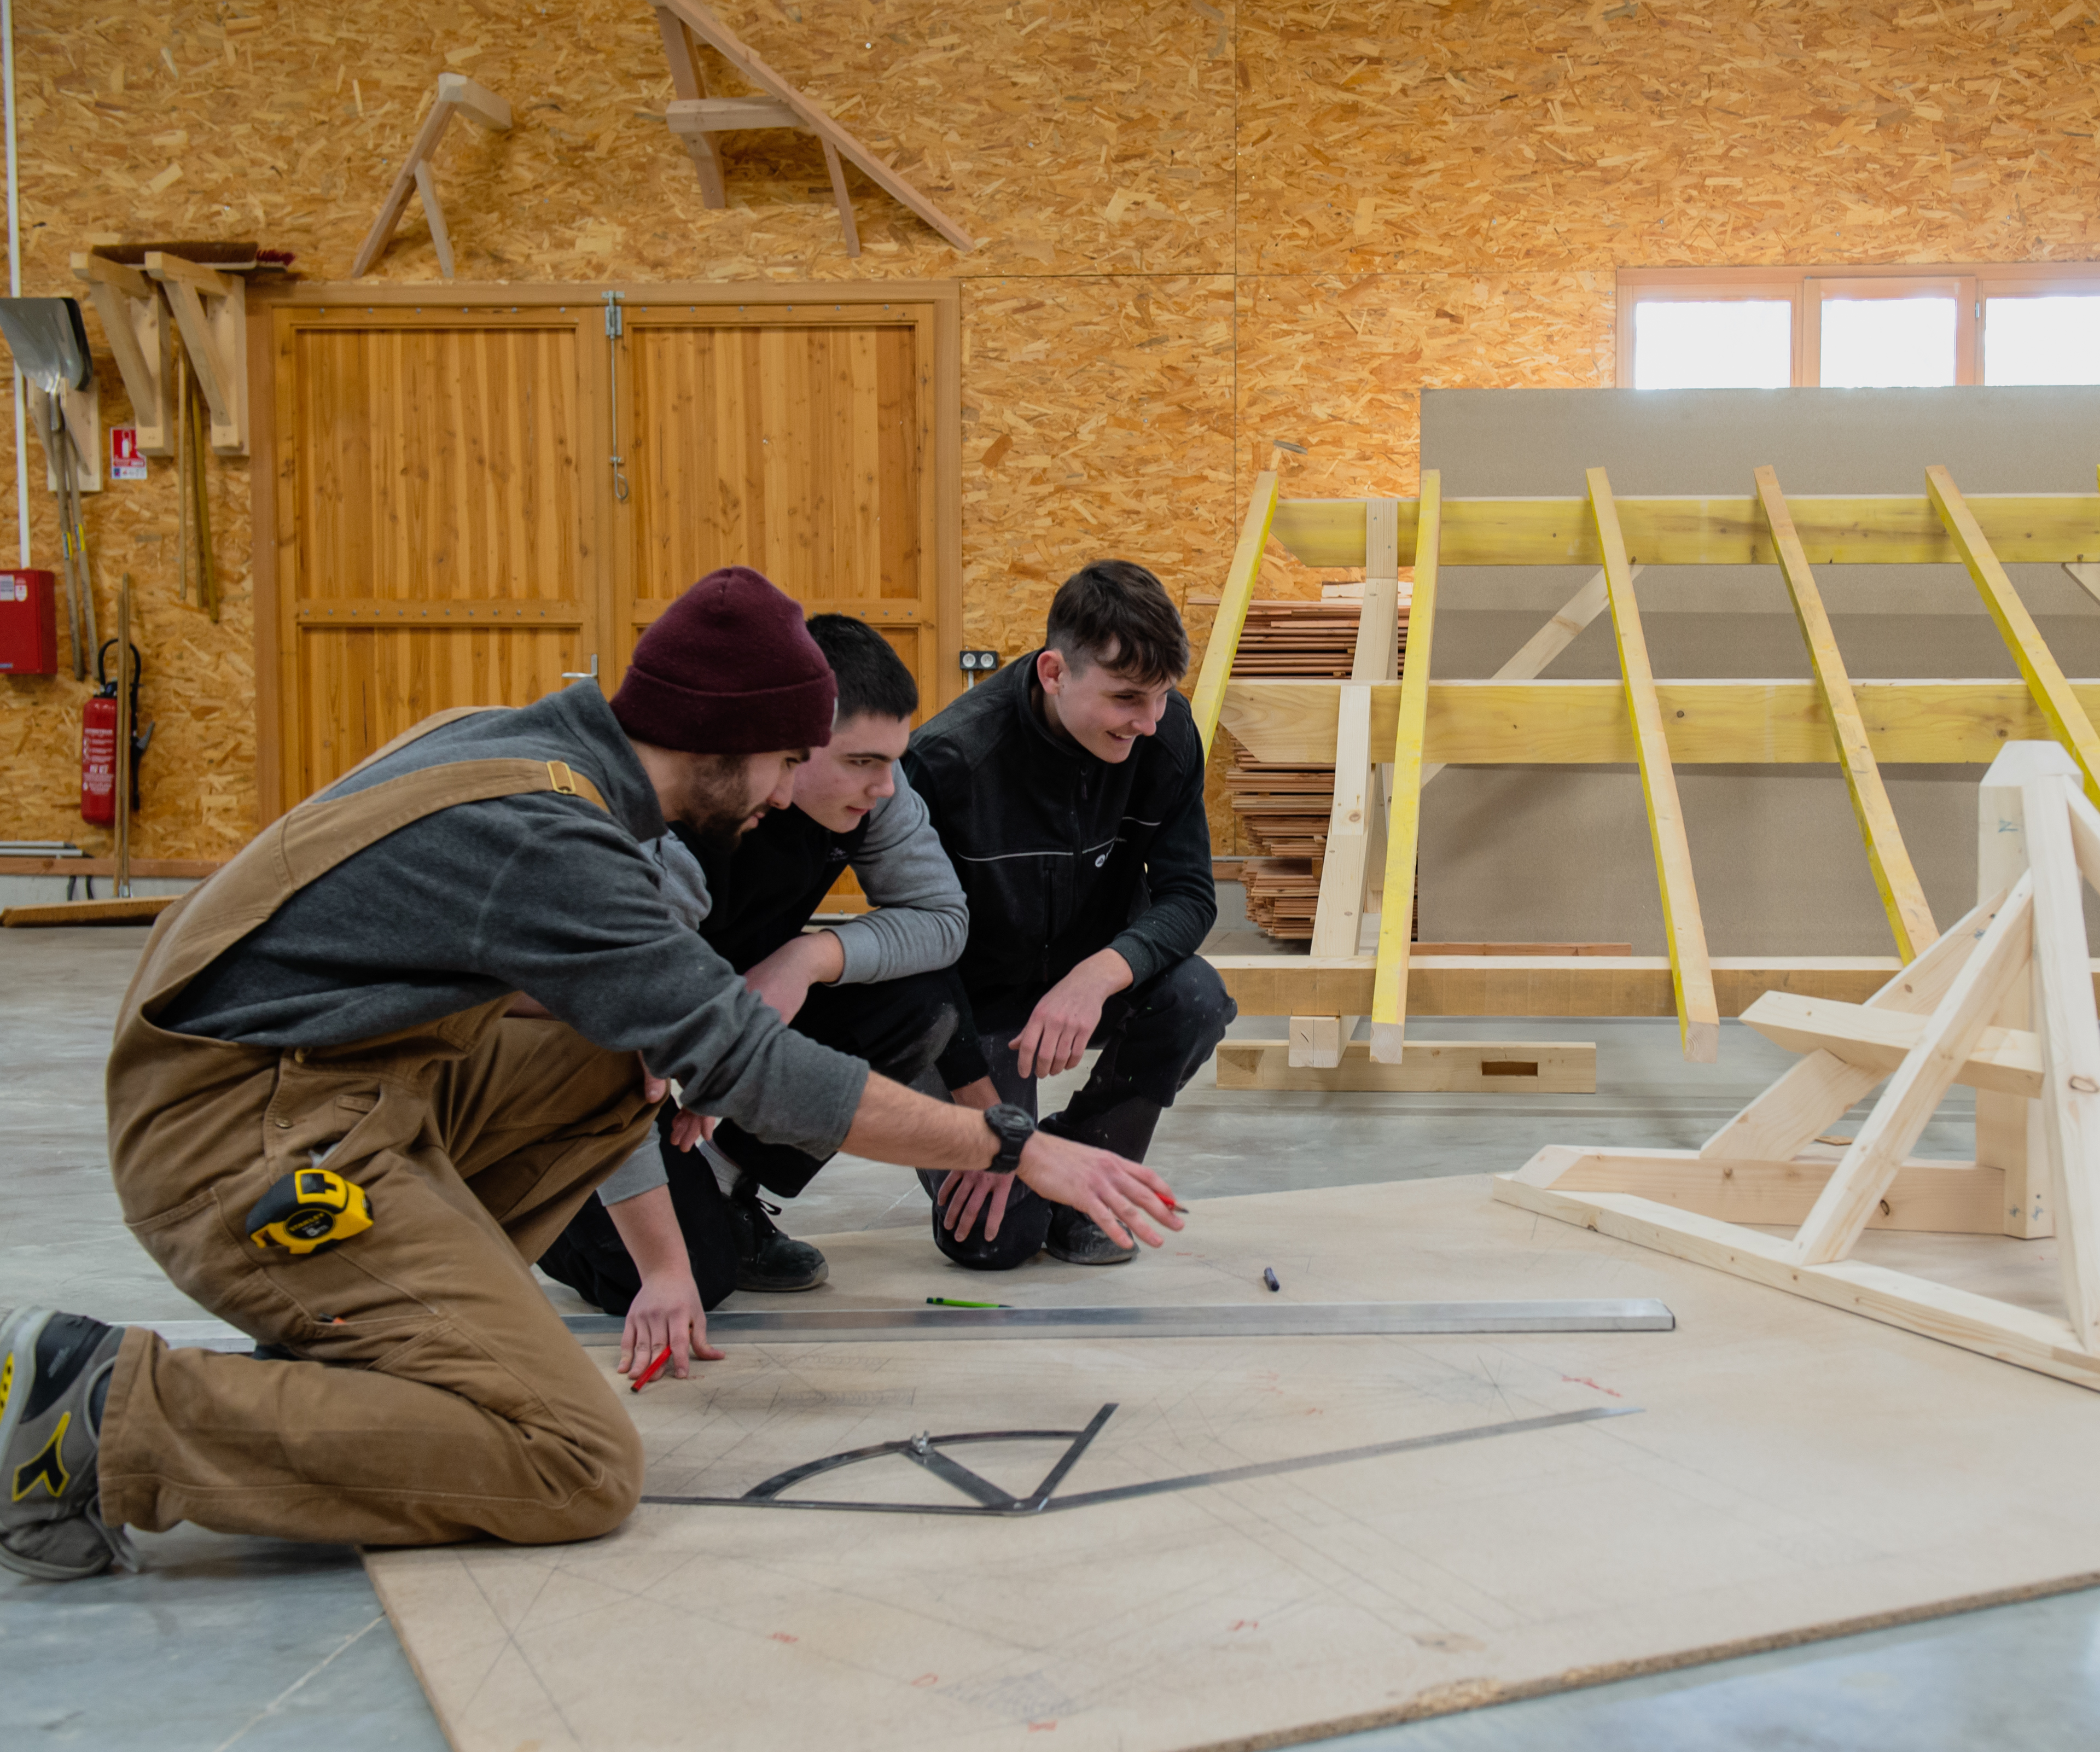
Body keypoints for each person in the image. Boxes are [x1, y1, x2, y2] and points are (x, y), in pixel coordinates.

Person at [0, 568, 1179, 1583]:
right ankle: (104, 1412)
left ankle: (357, 1361)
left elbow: (679, 1039)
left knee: (611, 1054)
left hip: (325, 1080)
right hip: (239, 1140)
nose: (784, 797)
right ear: (725, 745)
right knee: (570, 1462)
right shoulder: (558, 843)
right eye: (782, 765)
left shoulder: (522, 744)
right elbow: (751, 1066)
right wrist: (1013, 1144)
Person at [537, 613, 986, 1316]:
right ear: (788, 740)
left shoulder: (881, 794)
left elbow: (942, 920)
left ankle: (722, 1184)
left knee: (922, 997)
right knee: (684, 1278)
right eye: (860, 761)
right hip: (610, 1044)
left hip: (709, 1011)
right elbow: (600, 1023)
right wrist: (706, 1044)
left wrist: (807, 958)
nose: (887, 787)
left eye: (893, 759)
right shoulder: (670, 820)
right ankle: (531, 1203)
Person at [902, 558, 1236, 1271]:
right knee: (992, 1244)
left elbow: (1189, 894)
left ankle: (1079, 1154)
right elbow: (916, 955)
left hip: (1086, 978)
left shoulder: (1164, 732)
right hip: (974, 1005)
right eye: (1125, 700)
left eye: (1161, 697)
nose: (1148, 723)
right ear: (1054, 673)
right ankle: (1000, 1143)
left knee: (1194, 996)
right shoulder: (950, 761)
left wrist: (1098, 974)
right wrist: (984, 1119)